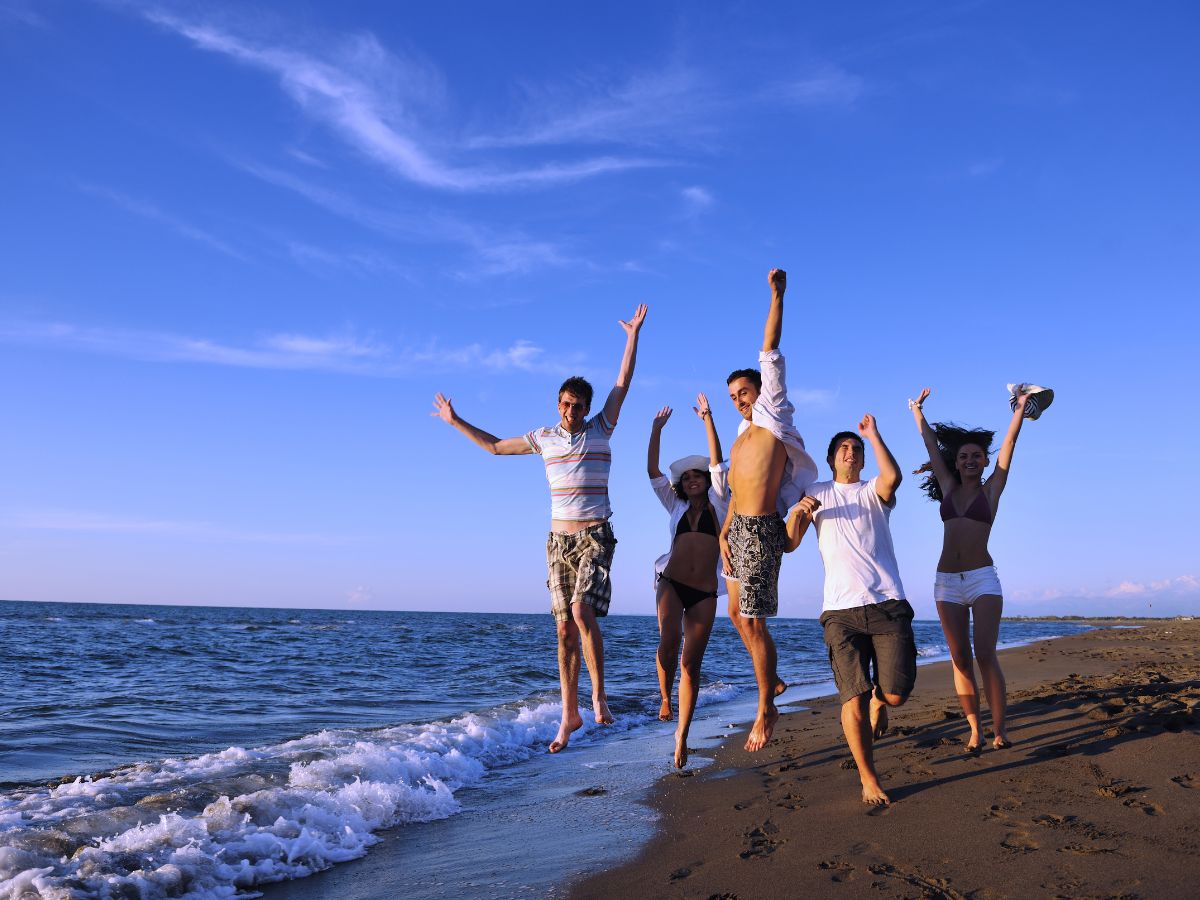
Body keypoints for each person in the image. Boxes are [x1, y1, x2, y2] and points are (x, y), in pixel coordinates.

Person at [431, 304, 648, 753]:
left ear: (587, 409)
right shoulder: (542, 437)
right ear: (558, 405)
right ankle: (569, 713)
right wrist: (455, 422)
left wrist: (632, 336)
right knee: (564, 629)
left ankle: (598, 697)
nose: (571, 410)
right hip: (557, 541)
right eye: (566, 404)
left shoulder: (602, 429)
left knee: (583, 613)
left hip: (595, 535)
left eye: (578, 406)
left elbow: (622, 384)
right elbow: (493, 447)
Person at [788, 418, 916, 805]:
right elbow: (790, 544)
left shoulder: (873, 491)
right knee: (851, 698)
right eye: (844, 448)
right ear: (831, 459)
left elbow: (892, 476)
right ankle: (868, 778)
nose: (851, 451)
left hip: (887, 602)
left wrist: (873, 435)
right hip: (839, 611)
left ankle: (881, 700)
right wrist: (797, 511)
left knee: (895, 695)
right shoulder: (815, 492)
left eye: (855, 448)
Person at [720, 268, 818, 752]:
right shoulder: (741, 435)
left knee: (754, 622)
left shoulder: (772, 411)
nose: (741, 402)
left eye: (745, 392)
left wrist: (777, 295)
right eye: (734, 397)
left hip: (761, 530)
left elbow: (770, 348)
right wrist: (722, 531)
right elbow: (736, 487)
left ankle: (766, 708)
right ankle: (773, 682)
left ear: (761, 391)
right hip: (736, 527)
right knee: (737, 616)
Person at [909, 387, 1031, 751]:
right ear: (956, 462)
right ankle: (975, 730)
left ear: (983, 461)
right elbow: (931, 445)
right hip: (946, 583)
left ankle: (999, 730)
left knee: (984, 654)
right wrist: (917, 411)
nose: (969, 461)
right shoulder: (946, 487)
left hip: (982, 580)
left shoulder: (992, 489)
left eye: (976, 456)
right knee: (960, 659)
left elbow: (1008, 444)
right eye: (963, 456)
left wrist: (1021, 409)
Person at [647, 394, 730, 768]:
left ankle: (682, 736)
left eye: (698, 475)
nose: (693, 479)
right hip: (671, 581)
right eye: (688, 477)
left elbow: (717, 462)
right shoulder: (675, 505)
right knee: (669, 641)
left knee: (691, 665)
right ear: (682, 484)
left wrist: (708, 419)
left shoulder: (722, 502)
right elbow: (652, 471)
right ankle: (665, 696)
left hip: (705, 593)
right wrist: (655, 431)